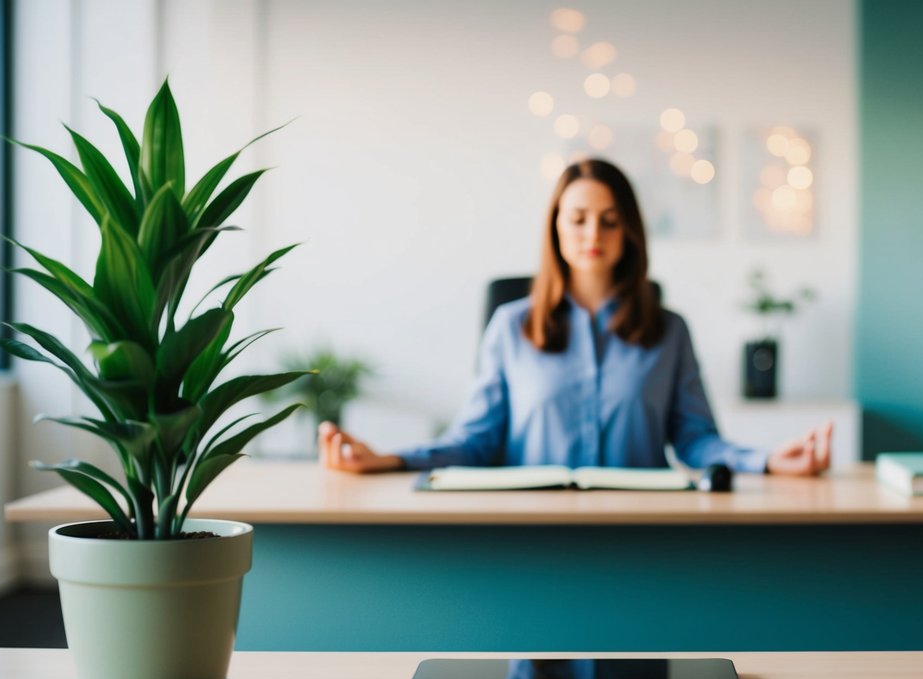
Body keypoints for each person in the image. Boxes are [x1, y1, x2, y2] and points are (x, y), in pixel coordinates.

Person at [319, 158, 832, 476]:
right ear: (556, 227)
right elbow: (475, 442)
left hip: (646, 536)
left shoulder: (669, 331)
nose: (593, 235)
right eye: (579, 219)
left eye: (610, 221)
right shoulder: (510, 327)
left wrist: (766, 461)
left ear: (629, 232)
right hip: (534, 538)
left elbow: (696, 441)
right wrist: (388, 459)